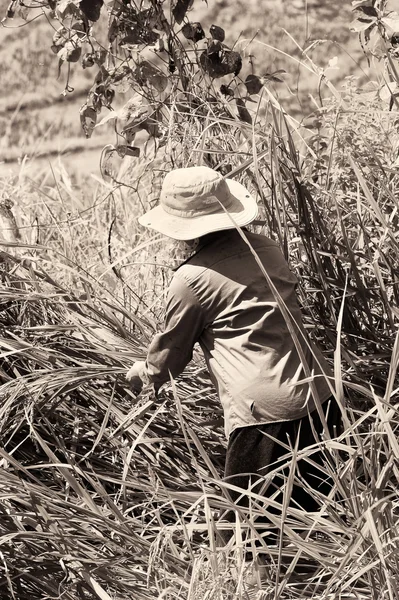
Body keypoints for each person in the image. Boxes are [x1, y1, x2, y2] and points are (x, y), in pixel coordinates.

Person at [126, 165, 340, 541]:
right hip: (320, 394)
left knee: (254, 534)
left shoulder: (189, 280)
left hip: (264, 417)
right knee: (319, 519)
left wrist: (144, 374)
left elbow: (172, 354)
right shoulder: (268, 248)